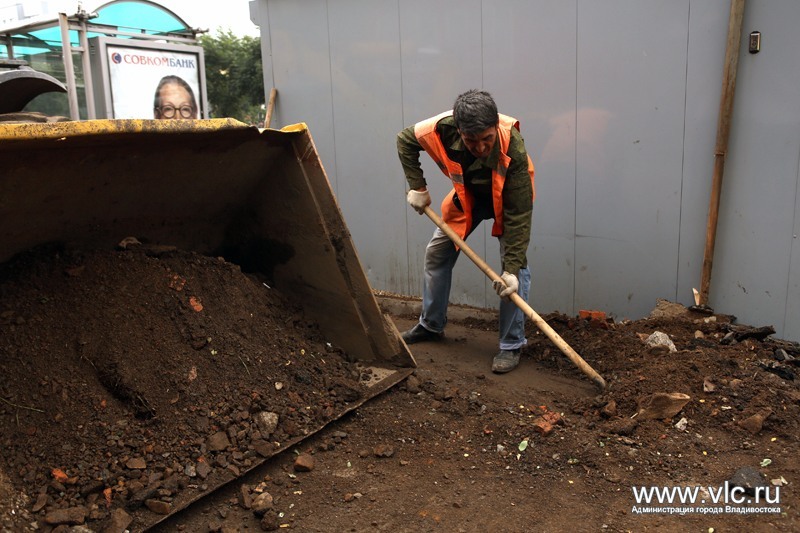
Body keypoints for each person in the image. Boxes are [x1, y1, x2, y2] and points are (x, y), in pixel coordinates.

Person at [397, 89, 535, 374]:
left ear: (496, 127)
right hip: (467, 197)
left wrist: (509, 270)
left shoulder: (514, 148)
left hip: (505, 201)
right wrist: (417, 186)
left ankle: (511, 345)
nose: (481, 147)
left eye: (487, 139)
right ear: (460, 131)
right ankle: (431, 325)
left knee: (515, 274)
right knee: (437, 253)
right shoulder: (440, 129)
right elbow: (404, 140)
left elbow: (519, 214)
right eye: (472, 141)